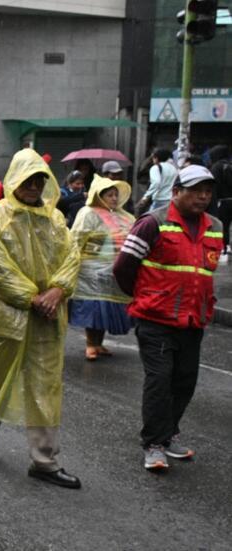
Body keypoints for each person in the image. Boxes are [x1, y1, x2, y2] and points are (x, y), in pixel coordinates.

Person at [0, 148, 82, 489]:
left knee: (45, 387)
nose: (33, 186)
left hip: (46, 317)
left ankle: (45, 460)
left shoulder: (54, 218)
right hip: (6, 316)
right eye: (28, 179)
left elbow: (71, 257)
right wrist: (32, 297)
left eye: (39, 180)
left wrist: (58, 290)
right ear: (14, 179)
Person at [113, 165, 222, 472]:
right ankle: (154, 444)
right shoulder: (152, 223)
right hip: (155, 319)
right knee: (160, 380)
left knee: (184, 381)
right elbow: (123, 267)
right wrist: (145, 298)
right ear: (176, 193)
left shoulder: (215, 225)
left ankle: (169, 432)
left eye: (207, 191)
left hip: (193, 320)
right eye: (196, 191)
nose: (203, 197)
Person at [68, 176, 135, 360]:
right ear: (99, 196)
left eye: (115, 195)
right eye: (109, 195)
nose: (114, 198)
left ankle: (99, 343)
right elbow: (76, 239)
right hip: (91, 272)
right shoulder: (88, 213)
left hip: (114, 272)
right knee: (94, 307)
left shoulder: (125, 216)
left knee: (107, 307)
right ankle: (91, 344)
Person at [206, 145, 232, 257]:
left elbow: (213, 186)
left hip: (223, 201)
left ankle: (223, 247)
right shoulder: (230, 165)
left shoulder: (216, 167)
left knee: (222, 225)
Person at [138, 147, 178, 213]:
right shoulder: (174, 168)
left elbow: (156, 183)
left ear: (156, 158)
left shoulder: (155, 168)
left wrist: (145, 197)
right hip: (170, 200)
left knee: (151, 220)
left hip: (159, 200)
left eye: (153, 158)